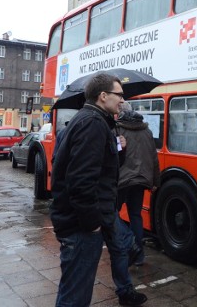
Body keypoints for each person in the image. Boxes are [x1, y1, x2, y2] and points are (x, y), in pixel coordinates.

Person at [49, 73, 147, 307]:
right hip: (81, 227)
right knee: (75, 295)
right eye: (119, 95)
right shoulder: (92, 124)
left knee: (74, 288)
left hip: (80, 221)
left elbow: (103, 170)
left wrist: (119, 151)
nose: (123, 100)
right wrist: (93, 223)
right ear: (103, 96)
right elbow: (81, 181)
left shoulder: (94, 121)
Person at [116, 102, 160, 266]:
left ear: (120, 113)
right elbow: (154, 157)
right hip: (141, 180)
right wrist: (156, 181)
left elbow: (113, 153)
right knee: (135, 215)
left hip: (122, 180)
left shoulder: (118, 129)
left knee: (112, 214)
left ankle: (128, 244)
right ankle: (139, 256)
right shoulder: (147, 130)